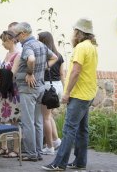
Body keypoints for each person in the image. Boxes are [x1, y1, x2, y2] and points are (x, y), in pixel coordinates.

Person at [42, 18, 98, 171]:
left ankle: (59, 163)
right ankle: (80, 162)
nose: (72, 34)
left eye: (74, 31)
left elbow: (75, 71)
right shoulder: (92, 47)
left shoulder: (81, 47)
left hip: (79, 94)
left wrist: (67, 93)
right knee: (81, 130)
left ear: (79, 33)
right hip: (88, 93)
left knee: (69, 129)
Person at [13, 22, 58, 162]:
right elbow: (54, 57)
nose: (16, 38)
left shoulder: (28, 45)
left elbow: (31, 59)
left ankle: (32, 154)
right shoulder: (41, 45)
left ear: (24, 34)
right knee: (38, 121)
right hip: (39, 88)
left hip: (28, 89)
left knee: (28, 122)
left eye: (17, 35)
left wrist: (30, 72)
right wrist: (42, 68)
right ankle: (38, 152)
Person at [0, 30, 21, 158]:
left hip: (13, 91)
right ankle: (4, 147)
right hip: (4, 91)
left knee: (14, 120)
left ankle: (16, 149)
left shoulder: (18, 54)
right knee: (2, 118)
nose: (3, 44)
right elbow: (3, 73)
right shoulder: (7, 54)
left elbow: (12, 74)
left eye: (4, 41)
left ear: (12, 40)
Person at [38, 31, 65, 155]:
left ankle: (49, 147)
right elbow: (62, 74)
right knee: (49, 116)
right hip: (58, 86)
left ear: (43, 41)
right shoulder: (59, 55)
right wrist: (64, 90)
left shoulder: (44, 55)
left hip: (48, 86)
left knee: (45, 118)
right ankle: (56, 141)